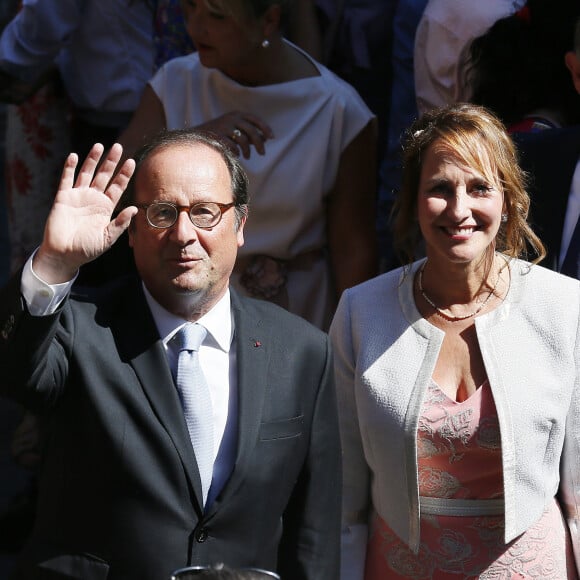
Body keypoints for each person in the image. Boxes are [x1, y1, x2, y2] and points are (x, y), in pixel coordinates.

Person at [0, 129, 341, 580]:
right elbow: (14, 373)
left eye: (204, 212)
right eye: (162, 213)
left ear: (240, 225)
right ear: (132, 230)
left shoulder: (301, 350)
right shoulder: (78, 327)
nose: (183, 234)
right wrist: (54, 263)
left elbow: (313, 535)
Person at [330, 103, 580, 579]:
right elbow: (345, 496)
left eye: (480, 188)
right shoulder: (360, 313)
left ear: (507, 199)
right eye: (440, 189)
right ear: (412, 200)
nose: (459, 209)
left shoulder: (565, 308)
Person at [119, 0, 378, 331]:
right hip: (181, 307)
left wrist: (353, 348)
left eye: (216, 15)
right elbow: (112, 185)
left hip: (295, 316)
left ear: (268, 19)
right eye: (189, 8)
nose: (196, 27)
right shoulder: (174, 83)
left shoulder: (339, 110)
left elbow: (353, 249)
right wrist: (189, 142)